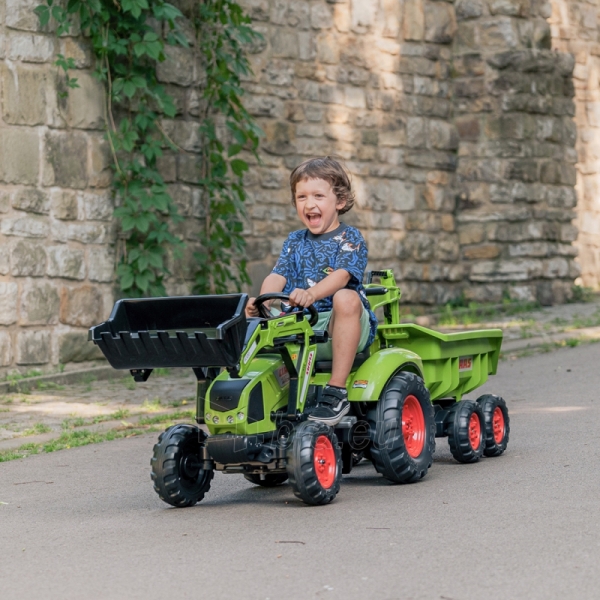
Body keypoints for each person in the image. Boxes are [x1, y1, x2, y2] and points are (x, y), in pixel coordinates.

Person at [246, 156, 377, 426]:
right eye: (302, 197)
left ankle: (337, 390)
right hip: (303, 321)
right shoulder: (295, 241)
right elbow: (277, 274)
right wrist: (265, 301)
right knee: (246, 311)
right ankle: (244, 385)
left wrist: (312, 294)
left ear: (339, 201)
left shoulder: (349, 238)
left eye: (318, 195)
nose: (309, 204)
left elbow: (342, 277)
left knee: (345, 297)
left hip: (341, 320)